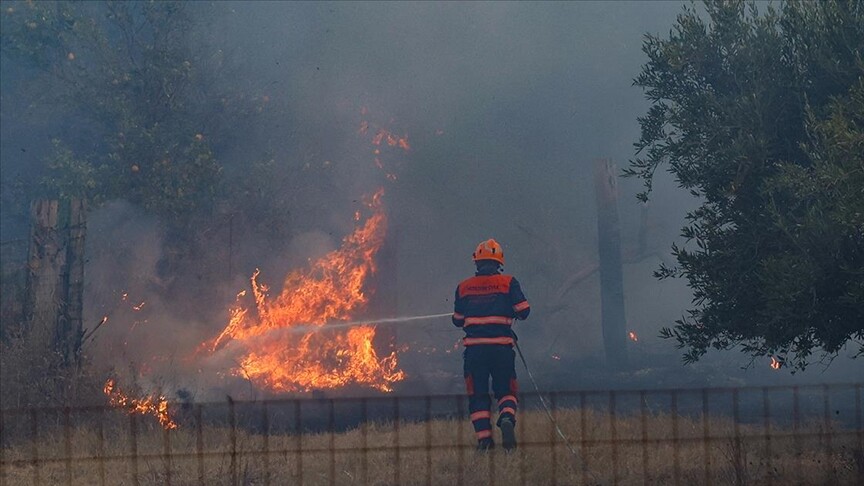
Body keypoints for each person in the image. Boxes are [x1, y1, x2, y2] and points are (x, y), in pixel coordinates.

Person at [452, 239, 530, 451]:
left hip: (475, 352)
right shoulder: (508, 282)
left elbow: (457, 320)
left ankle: (485, 442)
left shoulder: (464, 287)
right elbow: (524, 311)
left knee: (478, 396)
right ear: (499, 263)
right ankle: (506, 417)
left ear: (476, 262)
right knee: (506, 390)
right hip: (501, 350)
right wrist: (508, 310)